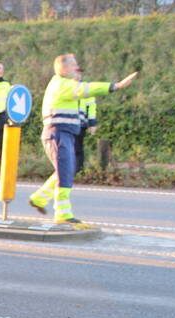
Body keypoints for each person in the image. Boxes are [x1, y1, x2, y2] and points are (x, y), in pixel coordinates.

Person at [28, 54, 136, 225]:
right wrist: (115, 86)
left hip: (65, 134)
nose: (77, 68)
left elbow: (86, 96)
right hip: (58, 133)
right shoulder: (62, 85)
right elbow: (87, 89)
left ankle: (41, 198)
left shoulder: (63, 84)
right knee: (65, 172)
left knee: (67, 170)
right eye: (74, 64)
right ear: (63, 68)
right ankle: (62, 214)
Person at [74, 67, 97, 175]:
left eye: (80, 74)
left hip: (80, 123)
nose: (78, 76)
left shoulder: (85, 88)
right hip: (66, 122)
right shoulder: (64, 86)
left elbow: (91, 106)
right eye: (76, 73)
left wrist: (92, 123)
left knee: (78, 148)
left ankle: (78, 171)